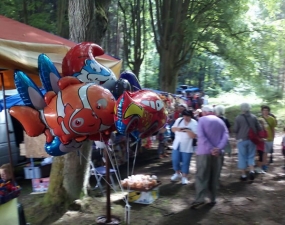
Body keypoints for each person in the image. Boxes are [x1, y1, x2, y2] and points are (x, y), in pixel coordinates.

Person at [191, 105, 228, 209]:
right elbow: (226, 136)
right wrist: (218, 148)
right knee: (214, 176)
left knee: (202, 176)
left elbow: (201, 136)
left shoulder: (202, 120)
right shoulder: (221, 121)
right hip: (218, 154)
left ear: (204, 112)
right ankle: (213, 198)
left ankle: (200, 199)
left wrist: (211, 148)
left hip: (204, 152)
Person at [233, 103, 261, 181]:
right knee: (251, 155)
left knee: (242, 156)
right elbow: (259, 128)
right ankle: (251, 170)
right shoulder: (254, 117)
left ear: (241, 109)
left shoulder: (238, 118)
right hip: (252, 139)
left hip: (241, 140)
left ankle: (243, 175)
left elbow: (235, 129)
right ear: (249, 108)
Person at [170, 109, 197, 185]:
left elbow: (194, 136)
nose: (186, 117)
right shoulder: (179, 120)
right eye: (184, 116)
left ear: (191, 116)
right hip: (177, 143)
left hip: (187, 145)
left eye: (187, 116)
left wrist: (188, 130)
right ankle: (177, 173)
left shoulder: (194, 123)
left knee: (186, 161)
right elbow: (172, 129)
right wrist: (178, 129)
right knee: (175, 159)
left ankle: (184, 176)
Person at [260, 105, 277, 171]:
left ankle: (264, 164)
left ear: (269, 111)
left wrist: (273, 137)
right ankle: (263, 165)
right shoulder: (259, 119)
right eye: (264, 110)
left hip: (269, 138)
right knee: (263, 152)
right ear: (262, 111)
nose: (265, 112)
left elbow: (273, 129)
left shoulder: (272, 119)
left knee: (266, 152)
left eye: (267, 110)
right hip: (262, 139)